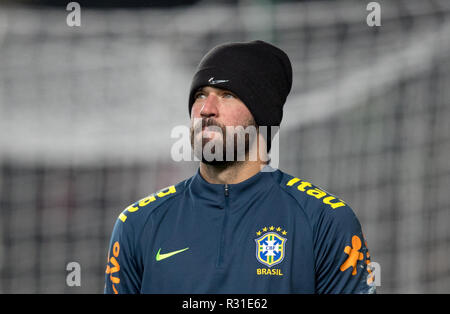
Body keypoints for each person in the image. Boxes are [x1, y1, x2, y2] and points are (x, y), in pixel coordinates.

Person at [104, 40, 376, 294]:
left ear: (262, 113)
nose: (206, 109)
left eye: (227, 94)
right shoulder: (138, 224)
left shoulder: (325, 221)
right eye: (200, 95)